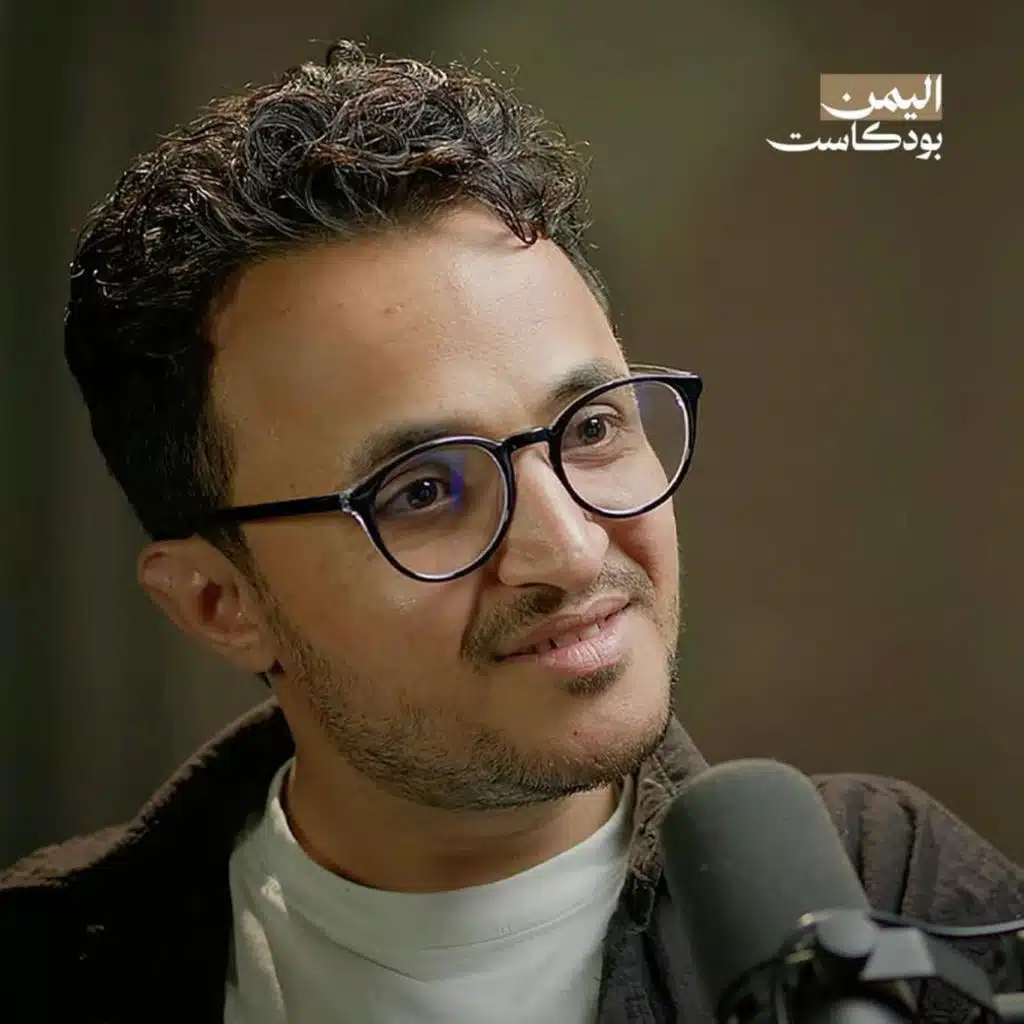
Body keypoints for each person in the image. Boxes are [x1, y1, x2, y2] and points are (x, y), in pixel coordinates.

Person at [0, 40, 1021, 1024]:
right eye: (421, 492)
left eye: (591, 429)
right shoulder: (47, 969)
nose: (572, 551)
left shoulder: (904, 905)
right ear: (220, 601)